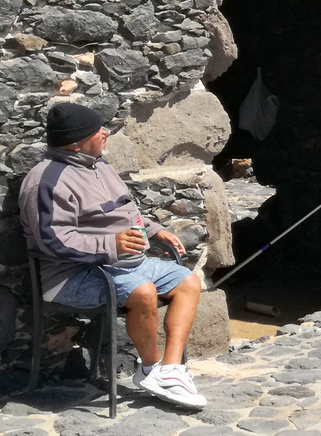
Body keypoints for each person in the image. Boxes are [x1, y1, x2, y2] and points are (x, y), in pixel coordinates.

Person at [19, 102, 207, 410]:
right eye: (97, 131)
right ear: (75, 142)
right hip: (70, 275)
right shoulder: (47, 181)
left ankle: (170, 371)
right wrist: (111, 245)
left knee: (187, 282)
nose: (105, 133)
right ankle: (150, 369)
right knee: (143, 292)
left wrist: (154, 229)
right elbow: (52, 241)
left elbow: (124, 212)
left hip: (125, 265)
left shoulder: (99, 164)